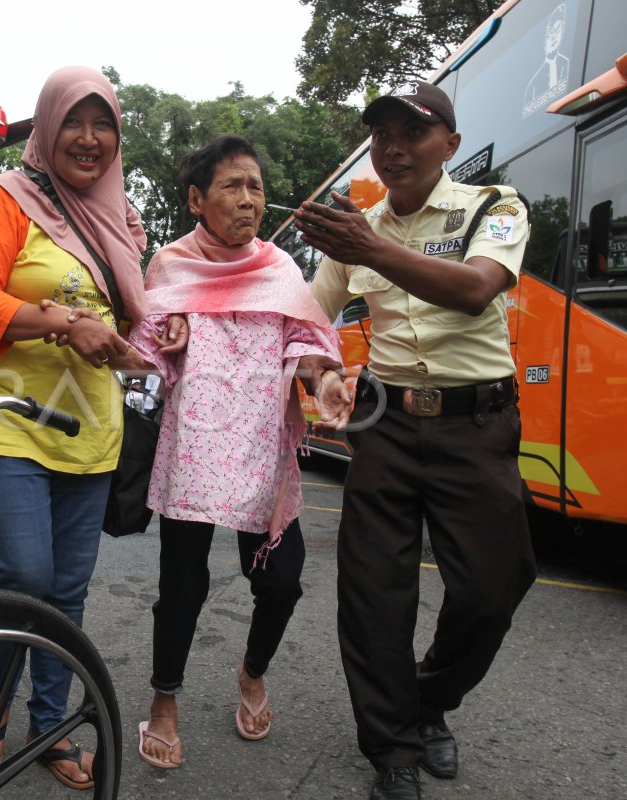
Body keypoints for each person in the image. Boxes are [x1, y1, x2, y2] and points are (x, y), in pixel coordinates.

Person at [294, 81, 537, 800]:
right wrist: (320, 371)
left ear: (450, 145)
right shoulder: (356, 234)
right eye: (381, 135)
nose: (393, 148)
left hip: (477, 425)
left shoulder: (494, 207)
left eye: (412, 133)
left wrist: (370, 246)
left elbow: (475, 288)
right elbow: (306, 324)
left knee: (493, 589)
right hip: (386, 427)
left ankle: (429, 699)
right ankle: (392, 749)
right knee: (374, 594)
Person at [0, 65, 185, 791]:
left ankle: (48, 725)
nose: (88, 138)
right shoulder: (7, 197)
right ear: (47, 128)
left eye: (102, 123)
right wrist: (59, 322)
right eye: (73, 122)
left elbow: (133, 316)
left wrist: (162, 331)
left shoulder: (122, 218)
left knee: (68, 591)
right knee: (24, 575)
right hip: (13, 422)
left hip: (92, 428)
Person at [124, 135, 351, 769]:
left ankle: (252, 671)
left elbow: (304, 342)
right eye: (232, 186)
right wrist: (167, 335)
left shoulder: (279, 269)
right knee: (182, 586)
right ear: (197, 199)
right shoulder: (170, 265)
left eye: (255, 185)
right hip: (193, 451)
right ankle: (164, 702)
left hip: (261, 451)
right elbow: (142, 351)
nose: (248, 198)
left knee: (281, 581)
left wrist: (323, 379)